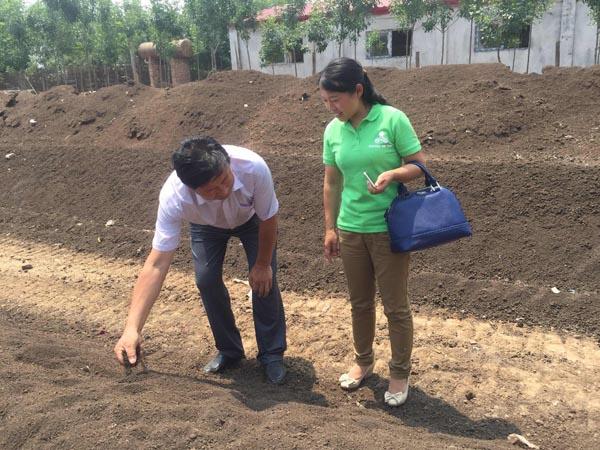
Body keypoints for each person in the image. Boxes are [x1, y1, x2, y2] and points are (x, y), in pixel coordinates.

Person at [113, 136, 287, 384]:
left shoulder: (253, 168)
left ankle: (272, 355)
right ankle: (229, 350)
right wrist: (132, 329)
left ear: (228, 164)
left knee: (263, 281)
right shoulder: (174, 197)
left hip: (252, 220)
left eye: (225, 181)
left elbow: (269, 218)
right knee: (206, 280)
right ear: (191, 188)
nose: (223, 191)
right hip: (206, 225)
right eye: (211, 190)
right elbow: (156, 264)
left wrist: (262, 265)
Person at [320, 58, 426, 406]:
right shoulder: (333, 131)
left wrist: (394, 175)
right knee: (360, 303)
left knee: (395, 306)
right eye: (326, 101)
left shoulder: (392, 119)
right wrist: (330, 228)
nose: (331, 107)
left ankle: (399, 372)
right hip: (350, 231)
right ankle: (363, 362)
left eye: (336, 99)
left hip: (388, 230)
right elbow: (332, 182)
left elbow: (419, 165)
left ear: (358, 91)